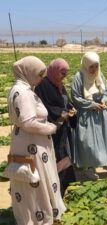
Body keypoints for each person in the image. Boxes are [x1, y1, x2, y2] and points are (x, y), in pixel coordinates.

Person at [7, 56, 66, 224]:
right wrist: (51, 128)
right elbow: (28, 122)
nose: (41, 79)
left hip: (26, 141)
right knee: (34, 178)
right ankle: (38, 216)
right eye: (39, 74)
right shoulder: (23, 93)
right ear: (29, 71)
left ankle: (34, 214)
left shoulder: (19, 88)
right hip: (31, 143)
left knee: (28, 177)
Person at [71, 51, 107, 180]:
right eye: (91, 66)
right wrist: (91, 104)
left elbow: (105, 90)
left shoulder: (99, 75)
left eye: (96, 66)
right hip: (87, 115)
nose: (94, 69)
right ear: (85, 65)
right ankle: (90, 168)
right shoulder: (79, 77)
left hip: (101, 114)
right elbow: (75, 97)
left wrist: (103, 100)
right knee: (89, 143)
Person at [35, 58, 76, 196]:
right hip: (53, 129)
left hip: (63, 127)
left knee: (66, 154)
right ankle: (55, 189)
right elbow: (44, 107)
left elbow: (66, 101)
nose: (64, 76)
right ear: (53, 71)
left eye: (66, 73)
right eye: (62, 73)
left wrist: (71, 109)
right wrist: (61, 113)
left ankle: (65, 185)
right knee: (58, 155)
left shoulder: (59, 84)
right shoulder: (43, 85)